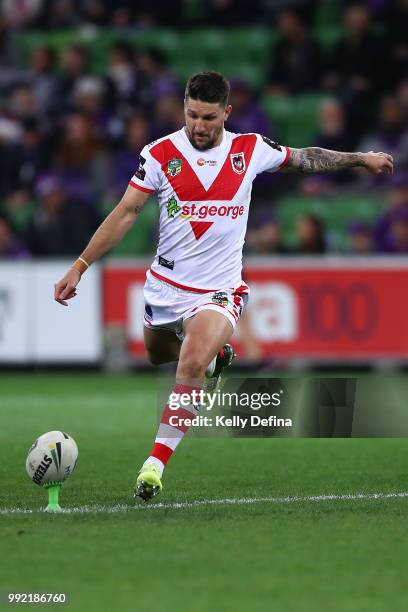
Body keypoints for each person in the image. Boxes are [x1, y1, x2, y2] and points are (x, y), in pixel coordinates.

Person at [54, 71, 393, 501]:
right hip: (165, 286)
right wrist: (80, 266)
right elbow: (125, 213)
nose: (198, 125)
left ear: (226, 113)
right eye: (191, 114)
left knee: (189, 364)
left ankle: (154, 465)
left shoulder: (249, 149)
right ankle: (216, 362)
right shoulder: (161, 155)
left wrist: (360, 158)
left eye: (208, 117)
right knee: (159, 354)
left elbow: (306, 158)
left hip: (220, 290)